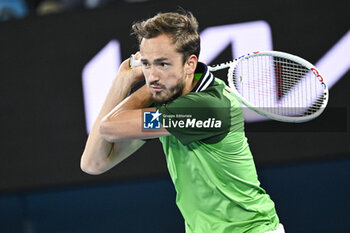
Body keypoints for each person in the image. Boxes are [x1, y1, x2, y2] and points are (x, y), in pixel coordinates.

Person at [80, 10, 285, 233]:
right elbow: (93, 163)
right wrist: (122, 80)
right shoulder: (167, 99)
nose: (152, 75)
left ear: (190, 64)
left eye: (163, 64)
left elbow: (109, 127)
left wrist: (136, 85)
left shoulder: (207, 108)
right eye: (146, 64)